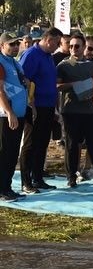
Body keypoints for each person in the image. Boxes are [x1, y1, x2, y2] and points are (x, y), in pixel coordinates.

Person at [56, 34, 93, 188]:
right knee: (72, 145)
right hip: (70, 111)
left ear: (84, 47)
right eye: (70, 46)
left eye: (77, 46)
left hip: (89, 111)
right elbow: (57, 86)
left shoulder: (92, 66)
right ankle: (71, 176)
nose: (73, 49)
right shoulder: (63, 65)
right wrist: (74, 85)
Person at [18, 27, 61, 194]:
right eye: (56, 43)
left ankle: (37, 177)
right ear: (48, 40)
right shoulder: (31, 55)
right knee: (30, 143)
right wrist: (32, 105)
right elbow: (24, 80)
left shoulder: (48, 56)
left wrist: (55, 108)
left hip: (48, 106)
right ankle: (26, 181)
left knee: (43, 142)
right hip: (35, 107)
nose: (57, 47)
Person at [0, 33, 28, 201]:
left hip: (19, 114)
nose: (15, 47)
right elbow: (0, 90)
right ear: (2, 46)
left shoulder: (14, 63)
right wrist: (9, 112)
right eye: (11, 44)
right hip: (5, 116)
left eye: (17, 44)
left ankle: (7, 187)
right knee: (4, 153)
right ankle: (1, 189)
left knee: (12, 154)